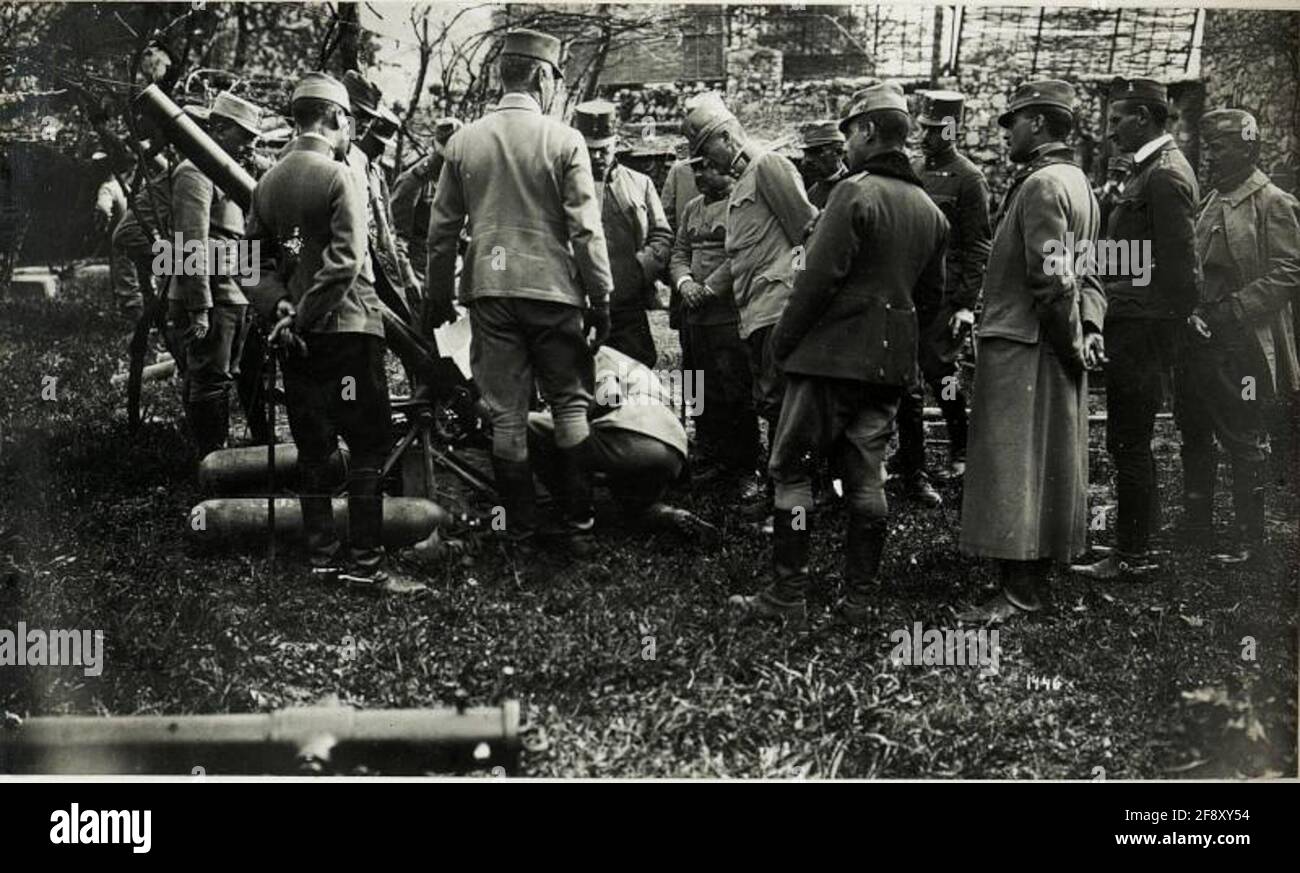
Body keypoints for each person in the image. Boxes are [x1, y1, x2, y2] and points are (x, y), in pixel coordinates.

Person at [727, 82, 949, 625]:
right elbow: (931, 299)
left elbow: (815, 281)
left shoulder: (853, 194)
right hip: (888, 368)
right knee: (867, 476)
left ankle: (788, 593)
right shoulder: (930, 211)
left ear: (869, 131)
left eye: (849, 133)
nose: (845, 144)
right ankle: (859, 600)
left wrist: (782, 345)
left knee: (792, 472)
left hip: (827, 361)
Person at [424, 29, 615, 552]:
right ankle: (579, 528)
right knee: (570, 406)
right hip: (554, 291)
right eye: (555, 80)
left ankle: (521, 530)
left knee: (506, 415)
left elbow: (441, 232)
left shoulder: (463, 142)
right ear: (541, 77)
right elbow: (586, 230)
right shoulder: (565, 140)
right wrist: (601, 296)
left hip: (490, 291)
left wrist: (437, 296)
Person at [245, 71, 424, 596]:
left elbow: (249, 263)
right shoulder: (340, 176)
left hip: (296, 341)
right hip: (347, 331)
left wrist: (280, 308)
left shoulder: (267, 183)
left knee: (313, 445)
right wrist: (301, 315)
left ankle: (322, 558)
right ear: (337, 117)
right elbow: (346, 262)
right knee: (368, 444)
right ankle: (365, 565)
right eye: (349, 122)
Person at [957, 80, 1107, 624]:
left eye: (1013, 122)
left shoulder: (1043, 184)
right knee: (1046, 463)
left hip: (1027, 345)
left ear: (1038, 123)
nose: (1007, 133)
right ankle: (1030, 577)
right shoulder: (1078, 183)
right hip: (1050, 342)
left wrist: (1069, 343)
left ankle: (1019, 591)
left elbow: (1052, 281)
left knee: (1014, 466)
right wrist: (1088, 329)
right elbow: (1091, 273)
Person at [1072, 77, 1201, 581]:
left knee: (1129, 439)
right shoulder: (1148, 171)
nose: (1109, 132)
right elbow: (1136, 254)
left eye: (1116, 120)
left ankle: (1132, 554)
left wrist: (1154, 323)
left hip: (1143, 330)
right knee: (1128, 438)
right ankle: (1134, 540)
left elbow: (1180, 271)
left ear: (1143, 118)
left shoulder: (1163, 176)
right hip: (1136, 323)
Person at [682, 92, 818, 517]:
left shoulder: (770, 167)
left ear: (726, 137)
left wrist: (795, 290)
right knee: (769, 403)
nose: (707, 163)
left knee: (782, 408)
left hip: (777, 308)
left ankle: (790, 502)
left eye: (707, 151)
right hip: (754, 311)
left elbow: (807, 236)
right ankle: (777, 493)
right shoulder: (742, 181)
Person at [1176, 108, 1300, 564]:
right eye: (1209, 147)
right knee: (1194, 430)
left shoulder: (1273, 202)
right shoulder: (1212, 199)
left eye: (1220, 147)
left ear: (1248, 149)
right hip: (1199, 338)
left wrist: (1233, 310)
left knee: (1243, 436)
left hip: (1241, 345)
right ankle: (1197, 527)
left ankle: (1249, 538)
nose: (1210, 156)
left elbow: (1288, 272)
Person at [894, 90, 992, 500]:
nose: (927, 137)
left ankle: (961, 447)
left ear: (953, 131)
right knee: (906, 378)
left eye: (936, 130)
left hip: (946, 297)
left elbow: (978, 244)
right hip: (911, 292)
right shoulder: (914, 169)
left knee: (943, 375)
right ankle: (909, 456)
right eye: (925, 128)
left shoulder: (969, 178)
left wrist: (966, 305)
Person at [528, 345, 718, 543]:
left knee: (530, 424)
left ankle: (562, 509)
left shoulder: (593, 354)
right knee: (635, 508)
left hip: (633, 437)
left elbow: (608, 398)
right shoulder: (630, 364)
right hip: (672, 450)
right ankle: (666, 514)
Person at [165, 92, 263, 459]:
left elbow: (243, 236)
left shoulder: (230, 174)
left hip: (235, 293)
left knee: (220, 378)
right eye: (244, 136)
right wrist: (200, 308)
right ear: (218, 129)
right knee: (208, 379)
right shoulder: (194, 172)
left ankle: (216, 457)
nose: (250, 145)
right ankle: (212, 461)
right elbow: (191, 244)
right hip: (215, 296)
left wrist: (254, 292)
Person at [668, 156, 760, 480]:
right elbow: (679, 251)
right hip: (693, 315)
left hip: (727, 315)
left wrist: (708, 289)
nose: (697, 175)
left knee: (734, 385)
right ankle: (709, 449)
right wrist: (685, 283)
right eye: (694, 169)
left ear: (724, 169)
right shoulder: (692, 208)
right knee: (696, 382)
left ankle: (745, 463)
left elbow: (743, 255)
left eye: (704, 167)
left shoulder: (742, 206)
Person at [573, 99, 672, 367]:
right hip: (580, 304)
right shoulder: (562, 186)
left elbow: (662, 234)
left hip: (628, 304)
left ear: (615, 144)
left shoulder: (640, 184)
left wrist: (640, 269)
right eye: (589, 150)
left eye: (603, 150)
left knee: (636, 371)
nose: (596, 157)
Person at [343, 71, 422, 322]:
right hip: (343, 289)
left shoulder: (371, 171)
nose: (379, 151)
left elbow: (388, 231)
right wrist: (252, 293)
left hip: (372, 281)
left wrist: (404, 275)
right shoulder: (327, 164)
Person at [390, 117, 463, 284]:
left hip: (450, 266)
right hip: (419, 268)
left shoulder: (460, 178)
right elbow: (397, 237)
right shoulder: (414, 181)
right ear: (435, 145)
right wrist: (409, 279)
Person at [800, 120, 847, 209]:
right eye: (806, 153)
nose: (807, 160)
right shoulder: (812, 193)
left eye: (816, 151)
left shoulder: (852, 188)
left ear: (839, 152)